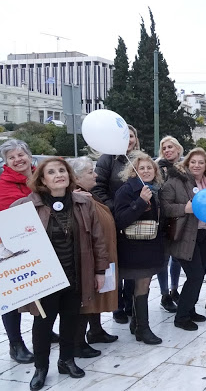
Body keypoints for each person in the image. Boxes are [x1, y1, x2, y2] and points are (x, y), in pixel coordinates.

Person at [12, 158, 108, 391]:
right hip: (45, 279)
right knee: (43, 324)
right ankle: (41, 368)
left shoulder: (83, 203)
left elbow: (97, 239)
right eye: (51, 172)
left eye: (62, 170)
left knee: (71, 320)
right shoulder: (26, 206)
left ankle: (66, 360)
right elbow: (11, 243)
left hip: (76, 273)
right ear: (42, 179)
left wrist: (99, 271)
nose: (58, 175)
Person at [160, 148, 206, 330]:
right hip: (185, 236)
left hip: (203, 234)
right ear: (187, 163)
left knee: (199, 276)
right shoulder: (175, 182)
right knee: (195, 276)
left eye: (201, 162)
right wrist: (184, 209)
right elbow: (165, 207)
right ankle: (181, 317)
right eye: (193, 162)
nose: (196, 165)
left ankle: (190, 309)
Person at [69, 157, 119, 359]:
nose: (96, 175)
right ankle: (77, 343)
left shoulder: (89, 194)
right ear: (77, 176)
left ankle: (96, 331)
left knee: (97, 295)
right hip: (87, 258)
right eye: (90, 172)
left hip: (101, 255)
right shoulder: (75, 197)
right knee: (86, 300)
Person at [113, 151, 164, 344]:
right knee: (141, 284)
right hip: (134, 247)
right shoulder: (127, 190)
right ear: (133, 171)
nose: (145, 171)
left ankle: (136, 323)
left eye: (149, 167)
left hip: (151, 246)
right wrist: (141, 202)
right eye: (141, 168)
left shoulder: (155, 189)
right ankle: (143, 329)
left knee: (145, 284)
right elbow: (120, 220)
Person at [92, 124, 140, 324]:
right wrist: (114, 208)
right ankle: (117, 305)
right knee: (116, 264)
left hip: (135, 217)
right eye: (123, 136)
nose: (127, 140)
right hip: (113, 218)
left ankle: (130, 302)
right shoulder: (107, 159)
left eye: (130, 136)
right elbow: (98, 187)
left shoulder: (139, 158)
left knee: (133, 263)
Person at [0, 139, 37, 364]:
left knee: (43, 290)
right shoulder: (3, 183)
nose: (17, 160)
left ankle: (41, 331)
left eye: (20, 154)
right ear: (6, 162)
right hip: (10, 246)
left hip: (41, 241)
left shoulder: (40, 176)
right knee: (13, 296)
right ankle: (16, 344)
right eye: (11, 157)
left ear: (28, 155)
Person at [156, 136, 185, 313]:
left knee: (177, 257)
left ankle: (175, 289)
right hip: (163, 216)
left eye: (170, 147)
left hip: (181, 215)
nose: (167, 150)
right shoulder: (158, 166)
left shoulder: (185, 165)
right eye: (164, 148)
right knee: (164, 258)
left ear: (178, 148)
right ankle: (164, 294)